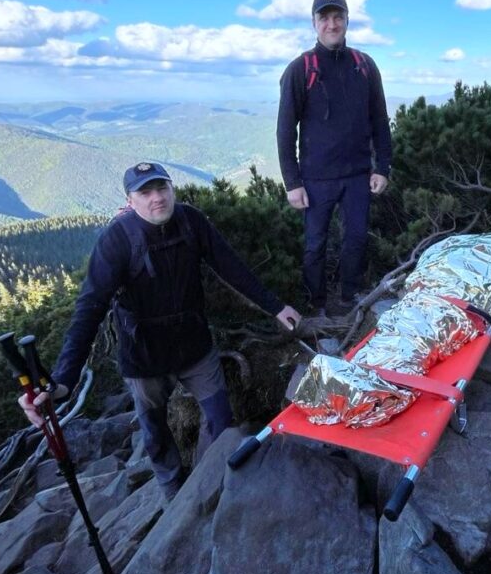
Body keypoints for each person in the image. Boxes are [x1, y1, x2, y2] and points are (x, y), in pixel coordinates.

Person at [19, 162, 300, 502]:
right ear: (130, 200)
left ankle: (212, 481)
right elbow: (89, 309)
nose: (157, 198)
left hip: (194, 347)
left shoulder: (191, 221)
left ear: (172, 189)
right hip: (146, 358)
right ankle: (171, 487)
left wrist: (275, 307)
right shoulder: (118, 240)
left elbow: (231, 267)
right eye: (145, 192)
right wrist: (63, 381)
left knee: (220, 419)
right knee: (154, 428)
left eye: (161, 188)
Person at [277, 0, 392, 315]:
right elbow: (285, 130)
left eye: (337, 16)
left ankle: (346, 300)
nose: (332, 23)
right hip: (315, 178)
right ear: (314, 23)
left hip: (357, 175)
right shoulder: (300, 69)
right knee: (315, 245)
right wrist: (292, 181)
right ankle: (316, 304)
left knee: (355, 239)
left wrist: (382, 166)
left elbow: (379, 120)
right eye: (324, 17)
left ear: (346, 20)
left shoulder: (365, 65)